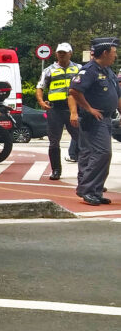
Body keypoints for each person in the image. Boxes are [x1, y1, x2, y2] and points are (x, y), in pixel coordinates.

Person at [69, 37, 121, 206]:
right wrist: (89, 108)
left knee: (101, 155)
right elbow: (74, 90)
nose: (115, 55)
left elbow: (117, 96)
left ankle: (95, 191)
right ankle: (87, 189)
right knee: (101, 153)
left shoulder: (107, 71)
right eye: (113, 52)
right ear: (105, 53)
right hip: (94, 119)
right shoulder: (89, 70)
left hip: (106, 118)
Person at [37, 43, 81, 179]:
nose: (61, 54)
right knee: (54, 141)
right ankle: (56, 170)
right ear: (56, 54)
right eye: (59, 52)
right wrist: (41, 102)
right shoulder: (49, 70)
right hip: (55, 109)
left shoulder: (78, 68)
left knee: (81, 141)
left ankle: (85, 172)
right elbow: (40, 87)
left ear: (70, 54)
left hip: (73, 109)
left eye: (64, 52)